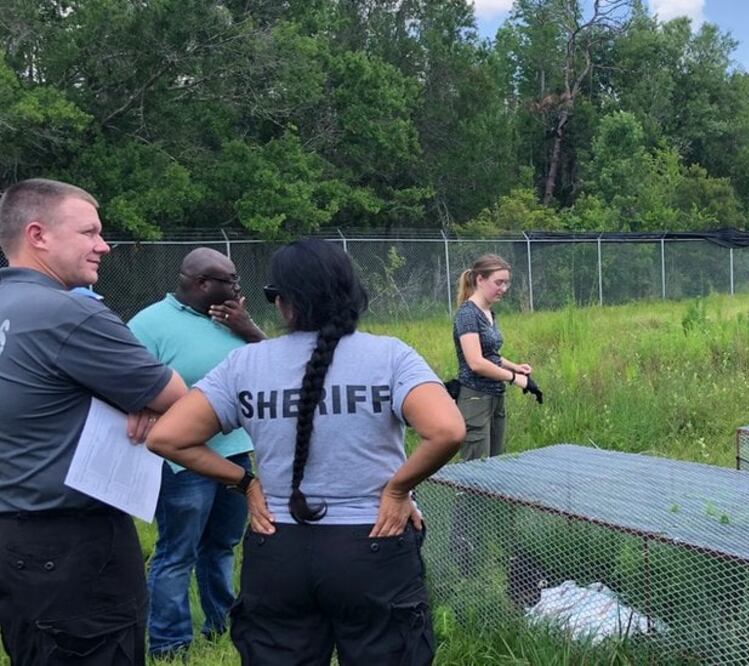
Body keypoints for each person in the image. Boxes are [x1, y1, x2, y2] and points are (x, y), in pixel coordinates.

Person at [147, 238, 465, 665]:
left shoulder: (245, 365)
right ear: (352, 293)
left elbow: (166, 438)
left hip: (277, 545)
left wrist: (246, 483)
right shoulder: (390, 356)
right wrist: (396, 490)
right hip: (374, 542)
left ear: (283, 303)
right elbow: (446, 430)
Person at [0, 178, 186, 665]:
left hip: (13, 544)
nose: (103, 245)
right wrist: (142, 401)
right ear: (38, 235)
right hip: (75, 548)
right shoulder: (68, 314)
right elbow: (179, 398)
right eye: (89, 232)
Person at [128, 248, 266, 659]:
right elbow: (128, 385)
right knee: (177, 552)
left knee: (222, 546)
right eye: (230, 280)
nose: (238, 288)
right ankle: (170, 644)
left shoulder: (233, 320)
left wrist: (248, 327)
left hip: (235, 454)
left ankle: (221, 625)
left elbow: (278, 365)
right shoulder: (148, 325)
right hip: (181, 461)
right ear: (202, 283)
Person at [452, 254, 539, 461]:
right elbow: (476, 362)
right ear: (480, 279)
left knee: (495, 464)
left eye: (506, 283)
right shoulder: (467, 314)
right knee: (477, 467)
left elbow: (490, 355)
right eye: (498, 282)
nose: (503, 288)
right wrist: (514, 378)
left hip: (496, 396)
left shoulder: (488, 312)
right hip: (475, 398)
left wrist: (515, 367)